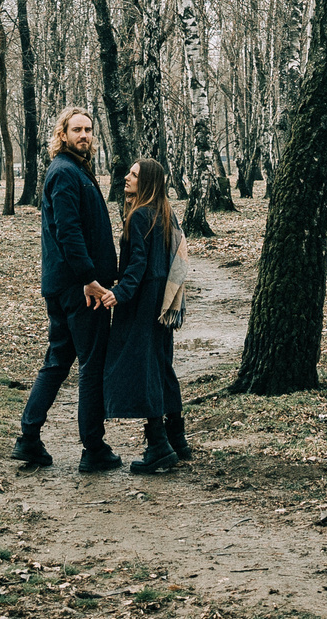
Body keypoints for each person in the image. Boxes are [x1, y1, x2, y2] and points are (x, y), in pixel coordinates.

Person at [15, 108, 122, 472]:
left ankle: (28, 438)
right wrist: (89, 278)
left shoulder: (77, 170)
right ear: (62, 134)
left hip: (68, 284)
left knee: (58, 360)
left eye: (89, 129)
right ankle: (94, 447)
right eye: (77, 129)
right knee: (92, 364)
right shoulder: (64, 172)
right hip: (80, 289)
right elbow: (68, 230)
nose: (84, 135)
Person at [102, 157, 187, 474]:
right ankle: (177, 438)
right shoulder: (165, 212)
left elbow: (137, 263)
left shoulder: (139, 216)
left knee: (145, 368)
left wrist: (119, 293)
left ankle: (158, 445)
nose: (126, 177)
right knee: (161, 365)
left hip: (142, 302)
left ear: (147, 182)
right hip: (162, 299)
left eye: (134, 174)